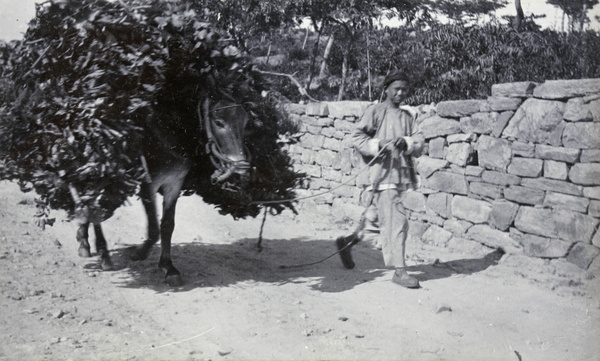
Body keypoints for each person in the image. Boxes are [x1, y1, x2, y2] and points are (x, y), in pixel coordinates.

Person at [336, 70, 425, 288]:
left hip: (399, 175)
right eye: (396, 89)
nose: (401, 93)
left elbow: (419, 140)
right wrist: (377, 145)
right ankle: (400, 271)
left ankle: (347, 243)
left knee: (375, 219)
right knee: (397, 220)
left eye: (404, 89)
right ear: (386, 89)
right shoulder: (375, 111)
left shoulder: (407, 116)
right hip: (380, 176)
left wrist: (408, 142)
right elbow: (357, 137)